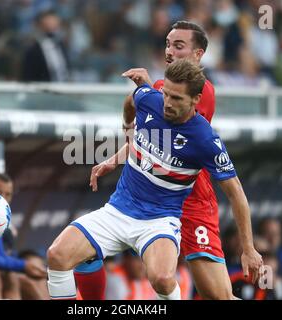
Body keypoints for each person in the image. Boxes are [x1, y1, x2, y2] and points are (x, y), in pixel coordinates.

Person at [47, 59, 262, 300]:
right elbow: (130, 102)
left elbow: (236, 194)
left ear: (196, 100)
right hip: (117, 211)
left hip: (159, 221)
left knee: (163, 280)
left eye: (177, 99)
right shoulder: (150, 100)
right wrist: (129, 136)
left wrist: (249, 249)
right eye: (166, 94)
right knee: (57, 255)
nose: (167, 104)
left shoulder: (206, 141)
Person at [21, 9, 70, 82]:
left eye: (55, 22)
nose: (53, 25)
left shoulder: (61, 45)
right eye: (49, 22)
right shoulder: (33, 50)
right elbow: (28, 77)